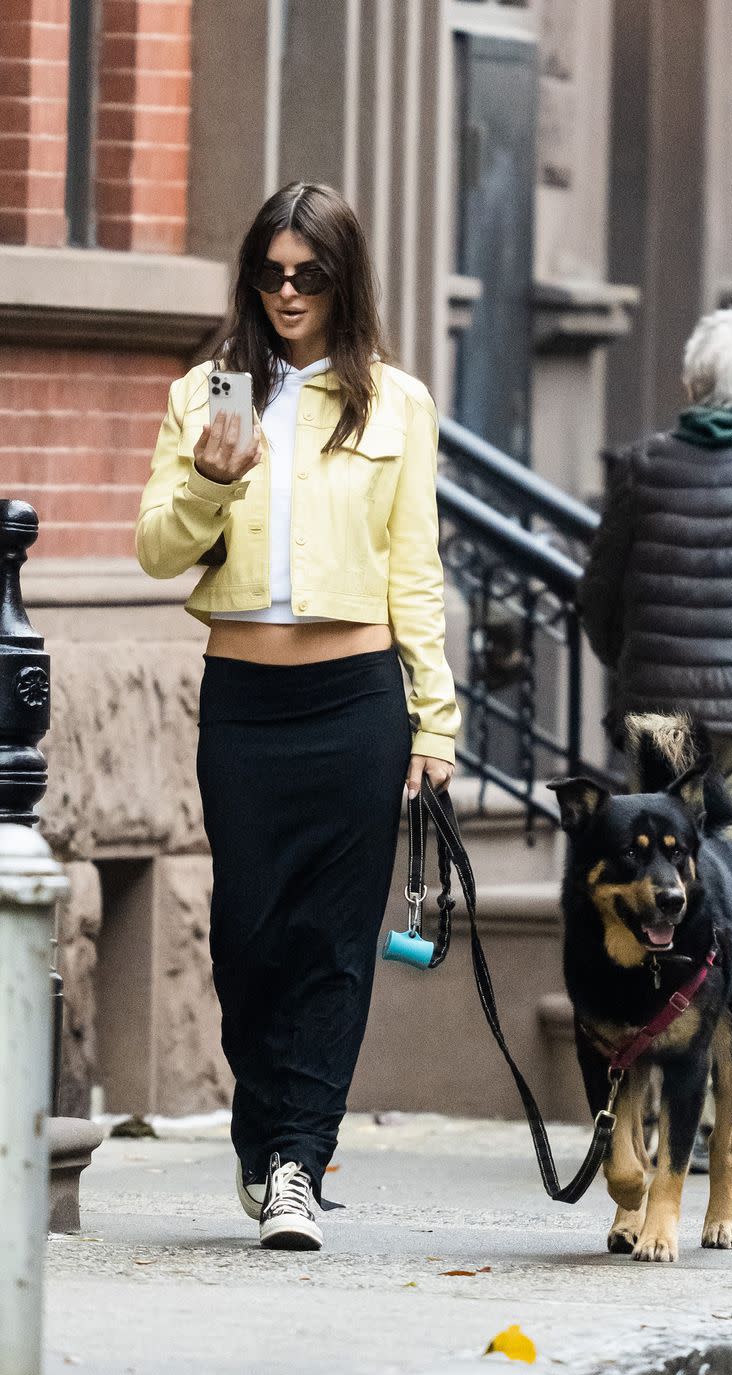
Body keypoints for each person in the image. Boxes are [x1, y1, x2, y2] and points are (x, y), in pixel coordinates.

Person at [137, 182, 460, 1251]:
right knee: (246, 937)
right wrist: (210, 484)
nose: (286, 293)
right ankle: (262, 1115)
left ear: (342, 282)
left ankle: (296, 1160)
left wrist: (434, 725)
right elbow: (157, 551)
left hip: (356, 698)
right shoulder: (207, 396)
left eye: (308, 276)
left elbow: (416, 570)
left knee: (333, 945)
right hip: (246, 701)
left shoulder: (395, 404)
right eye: (271, 273)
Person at [579, 305, 732, 1172]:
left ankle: (652, 1109)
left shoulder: (643, 467)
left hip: (667, 722)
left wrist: (643, 681)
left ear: (690, 388)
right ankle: (720, 1109)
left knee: (660, 897)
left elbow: (599, 604)